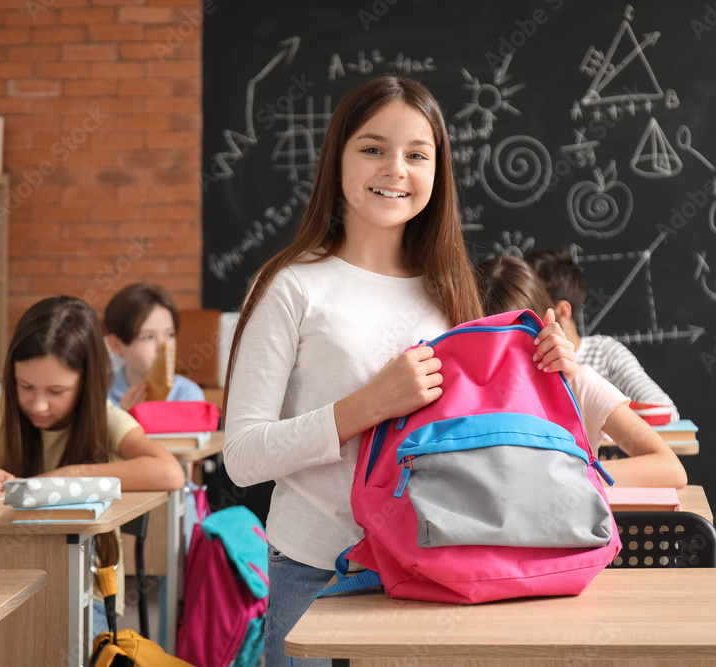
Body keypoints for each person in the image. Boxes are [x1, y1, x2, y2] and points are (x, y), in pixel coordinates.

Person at [221, 75, 577, 666]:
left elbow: (485, 441)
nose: (395, 169)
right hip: (320, 576)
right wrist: (368, 405)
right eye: (372, 148)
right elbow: (243, 455)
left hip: (439, 570)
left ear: (438, 173)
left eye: (416, 154)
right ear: (337, 158)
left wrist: (550, 375)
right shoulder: (290, 286)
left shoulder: (456, 291)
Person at [0, 295, 185, 635]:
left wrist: (73, 475)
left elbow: (169, 472)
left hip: (86, 590)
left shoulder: (105, 419)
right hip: (1, 580)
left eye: (56, 390)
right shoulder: (1, 411)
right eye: (26, 386)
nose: (38, 404)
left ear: (86, 383)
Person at [476, 255, 687, 489]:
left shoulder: (579, 382)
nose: (505, 362)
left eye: (517, 342)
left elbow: (670, 469)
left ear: (547, 325)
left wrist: (571, 474)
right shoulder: (458, 391)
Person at [525, 247, 680, 420]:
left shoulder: (605, 354)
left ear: (561, 312)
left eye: (529, 312)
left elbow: (664, 411)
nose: (520, 322)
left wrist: (605, 415)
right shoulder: (525, 361)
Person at [103, 283, 205, 410]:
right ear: (116, 345)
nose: (164, 347)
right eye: (148, 337)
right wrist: (125, 419)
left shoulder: (188, 395)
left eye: (169, 334)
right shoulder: (100, 395)